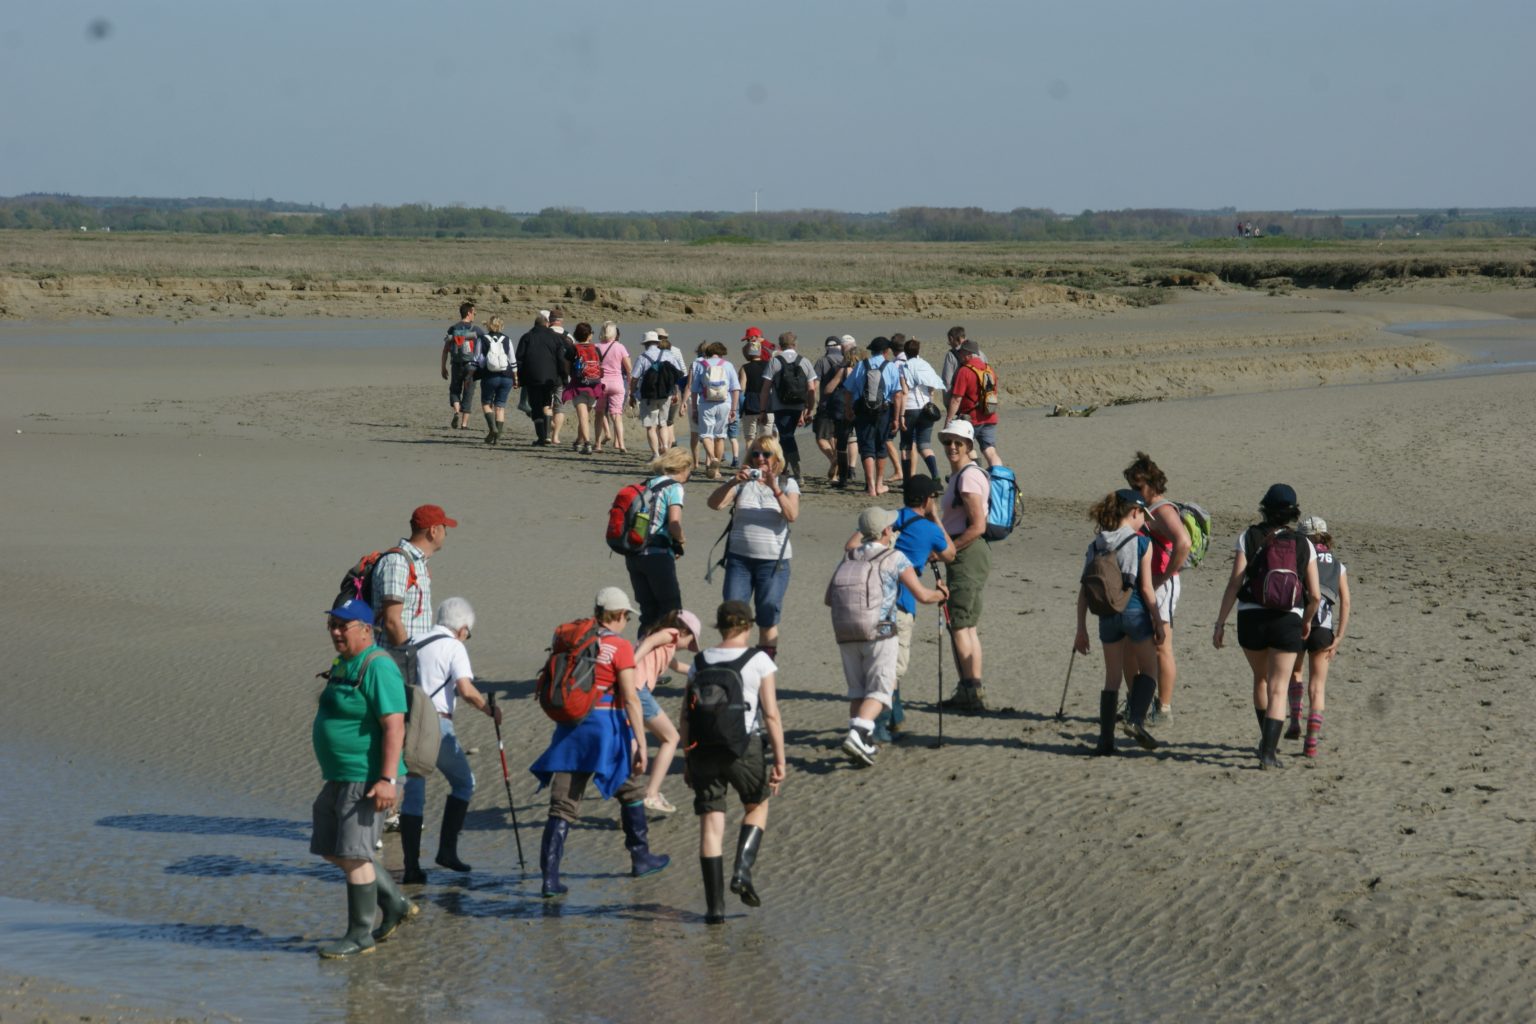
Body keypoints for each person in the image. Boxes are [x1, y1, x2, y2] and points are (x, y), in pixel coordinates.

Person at [530, 588, 670, 898]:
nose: (626, 622)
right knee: (632, 789)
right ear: (619, 615)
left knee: (563, 805)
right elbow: (631, 697)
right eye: (626, 617)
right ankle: (641, 857)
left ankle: (550, 878)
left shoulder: (578, 642)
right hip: (606, 731)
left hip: (570, 730)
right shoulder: (619, 647)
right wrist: (642, 743)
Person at [309, 599, 415, 958]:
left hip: (367, 777)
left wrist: (387, 779)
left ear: (366, 629)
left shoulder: (378, 666)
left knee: (354, 855)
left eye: (344, 626)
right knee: (331, 847)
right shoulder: (345, 663)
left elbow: (394, 726)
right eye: (332, 625)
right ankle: (395, 903)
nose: (336, 632)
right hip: (339, 775)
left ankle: (360, 935)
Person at [682, 599, 786, 925]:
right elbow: (770, 714)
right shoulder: (758, 660)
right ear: (748, 626)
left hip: (702, 750)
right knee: (756, 805)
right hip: (744, 747)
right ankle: (742, 870)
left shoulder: (700, 661)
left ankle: (714, 910)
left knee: (711, 825)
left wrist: (688, 757)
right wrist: (780, 760)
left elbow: (685, 716)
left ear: (720, 626)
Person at [1212, 484, 1322, 770]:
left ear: (1264, 507)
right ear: (1293, 512)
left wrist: (1220, 622)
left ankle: (1265, 740)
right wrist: (1307, 620)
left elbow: (1235, 582)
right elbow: (1316, 595)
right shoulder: (1303, 544)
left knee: (1260, 679)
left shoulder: (1248, 536)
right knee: (1278, 687)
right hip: (1288, 619)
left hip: (1251, 618)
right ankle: (1269, 753)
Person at [397, 597, 503, 885]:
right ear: (463, 628)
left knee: (414, 792)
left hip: (405, 721)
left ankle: (411, 868)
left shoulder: (414, 640)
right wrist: (489, 710)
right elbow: (466, 690)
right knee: (464, 782)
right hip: (436, 723)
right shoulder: (454, 646)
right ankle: (446, 851)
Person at [830, 507, 948, 766]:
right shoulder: (895, 557)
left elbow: (829, 598)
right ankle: (858, 732)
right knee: (881, 691)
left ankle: (864, 743)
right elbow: (923, 596)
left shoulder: (849, 555)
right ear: (886, 531)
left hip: (845, 630)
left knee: (857, 691)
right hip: (880, 631)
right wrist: (942, 593)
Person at [855, 475, 954, 741]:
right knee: (894, 666)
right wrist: (935, 519)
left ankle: (895, 716)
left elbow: (852, 545)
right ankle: (881, 726)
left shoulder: (888, 518)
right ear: (926, 499)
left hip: (869, 600)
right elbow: (951, 554)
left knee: (878, 661)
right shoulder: (930, 529)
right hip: (901, 602)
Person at [1073, 489, 1166, 756]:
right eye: (1142, 517)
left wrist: (1081, 628)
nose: (1144, 523)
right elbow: (1147, 589)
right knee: (1150, 670)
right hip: (1135, 611)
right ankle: (1134, 720)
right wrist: (1158, 622)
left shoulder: (1096, 544)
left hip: (1106, 616)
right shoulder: (1141, 543)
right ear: (1135, 512)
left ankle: (1105, 741)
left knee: (1112, 677)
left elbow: (1083, 591)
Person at [705, 435, 800, 660]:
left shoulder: (788, 483)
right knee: (733, 615)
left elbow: (792, 515)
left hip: (774, 563)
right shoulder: (742, 482)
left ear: (776, 457)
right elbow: (714, 504)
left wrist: (775, 488)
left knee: (767, 615)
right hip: (740, 560)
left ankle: (763, 667)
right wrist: (733, 482)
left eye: (765, 454)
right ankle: (735, 662)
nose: (760, 459)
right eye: (755, 453)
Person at [1122, 452, 1192, 727]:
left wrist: (1164, 575)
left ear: (1152, 483)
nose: (1134, 491)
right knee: (1130, 644)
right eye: (1131, 486)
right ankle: (1135, 701)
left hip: (1161, 585)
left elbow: (1183, 543)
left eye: (1138, 486)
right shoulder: (1139, 507)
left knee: (1161, 645)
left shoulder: (1163, 509)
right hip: (1140, 582)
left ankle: (1163, 707)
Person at [936, 420, 992, 712]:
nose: (952, 447)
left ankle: (970, 691)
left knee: (960, 623)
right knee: (966, 624)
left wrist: (947, 551)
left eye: (958, 442)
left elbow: (977, 527)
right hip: (970, 554)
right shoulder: (965, 475)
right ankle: (970, 688)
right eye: (948, 442)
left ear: (970, 446)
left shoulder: (968, 478)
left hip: (967, 553)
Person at [1286, 516, 1350, 758]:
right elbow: (1346, 602)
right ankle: (1311, 742)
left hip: (1298, 622)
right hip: (1323, 628)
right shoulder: (1338, 565)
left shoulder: (1299, 557)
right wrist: (1340, 635)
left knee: (1295, 672)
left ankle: (1294, 719)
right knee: (1318, 686)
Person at [631, 608, 702, 814]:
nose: (688, 646)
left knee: (634, 744)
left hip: (631, 690)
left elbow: (678, 666)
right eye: (690, 641)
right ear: (682, 631)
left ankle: (632, 797)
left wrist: (704, 670)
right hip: (638, 690)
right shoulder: (669, 634)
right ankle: (651, 794)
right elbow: (650, 642)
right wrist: (632, 663)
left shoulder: (667, 646)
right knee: (671, 737)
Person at [625, 446, 692, 635]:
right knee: (670, 612)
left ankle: (640, 658)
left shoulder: (647, 483)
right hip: (657, 555)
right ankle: (658, 661)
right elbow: (674, 523)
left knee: (648, 614)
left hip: (634, 553)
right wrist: (681, 541)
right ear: (682, 468)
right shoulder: (674, 487)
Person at [371, 505, 456, 652]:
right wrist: (410, 658)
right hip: (395, 664)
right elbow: (392, 621)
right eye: (444, 528)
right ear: (433, 530)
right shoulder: (398, 562)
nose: (446, 534)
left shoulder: (418, 564)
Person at [840, 337, 905, 497]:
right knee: (881, 446)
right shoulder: (890, 367)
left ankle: (870, 487)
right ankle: (879, 484)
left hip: (863, 410)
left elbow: (848, 390)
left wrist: (848, 409)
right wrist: (896, 418)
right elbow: (897, 395)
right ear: (886, 351)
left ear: (872, 350)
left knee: (867, 448)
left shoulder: (861, 365)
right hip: (884, 411)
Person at [761, 331, 815, 480]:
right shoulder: (805, 361)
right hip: (798, 406)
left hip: (780, 406)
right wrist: (810, 409)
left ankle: (797, 472)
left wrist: (762, 410)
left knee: (786, 436)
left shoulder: (775, 361)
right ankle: (784, 470)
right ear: (795, 344)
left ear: (780, 345)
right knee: (786, 436)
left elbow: (765, 388)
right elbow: (811, 389)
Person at [946, 340, 1001, 468]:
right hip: (989, 415)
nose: (959, 356)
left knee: (965, 448)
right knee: (990, 451)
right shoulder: (989, 369)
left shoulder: (964, 371)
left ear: (968, 354)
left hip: (971, 418)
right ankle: (1001, 480)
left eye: (961, 353)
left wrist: (948, 419)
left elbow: (956, 399)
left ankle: (973, 474)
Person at [691, 341, 741, 480]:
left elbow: (694, 390)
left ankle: (712, 458)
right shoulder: (728, 365)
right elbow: (735, 389)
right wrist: (734, 409)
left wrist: (694, 408)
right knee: (720, 437)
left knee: (706, 435)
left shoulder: (701, 365)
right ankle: (717, 469)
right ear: (722, 352)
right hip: (724, 403)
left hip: (706, 404)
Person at [515, 310, 565, 446]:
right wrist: (564, 377)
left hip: (531, 378)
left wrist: (518, 378)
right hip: (551, 378)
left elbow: (519, 360)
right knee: (547, 404)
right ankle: (547, 435)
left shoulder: (526, 337)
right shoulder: (556, 338)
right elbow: (561, 359)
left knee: (536, 407)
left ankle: (542, 437)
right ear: (547, 324)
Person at [898, 337, 944, 480]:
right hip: (925, 408)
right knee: (925, 445)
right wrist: (930, 401)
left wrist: (900, 416)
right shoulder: (925, 365)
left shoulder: (903, 367)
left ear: (905, 353)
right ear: (918, 351)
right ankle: (935, 475)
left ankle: (907, 481)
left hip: (910, 409)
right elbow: (932, 388)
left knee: (906, 445)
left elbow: (904, 392)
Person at [440, 301, 487, 432]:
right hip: (471, 366)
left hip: (456, 364)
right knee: (469, 393)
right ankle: (464, 424)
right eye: (474, 312)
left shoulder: (453, 329)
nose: (475, 315)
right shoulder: (476, 330)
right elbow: (486, 346)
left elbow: (445, 349)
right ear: (469, 313)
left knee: (455, 390)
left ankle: (456, 411)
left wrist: (443, 367)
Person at [560, 321, 604, 454]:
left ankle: (587, 444)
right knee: (585, 416)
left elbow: (566, 367)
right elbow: (600, 365)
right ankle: (579, 441)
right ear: (590, 335)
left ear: (575, 335)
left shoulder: (572, 349)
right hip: (594, 385)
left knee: (582, 417)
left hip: (578, 385)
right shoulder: (595, 349)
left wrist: (570, 376)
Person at [630, 330, 675, 459]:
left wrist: (632, 394)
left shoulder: (642, 357)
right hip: (666, 394)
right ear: (657, 342)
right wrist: (674, 392)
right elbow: (676, 374)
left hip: (648, 395)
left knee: (650, 426)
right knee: (663, 423)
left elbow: (634, 378)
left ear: (645, 344)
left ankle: (655, 454)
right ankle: (665, 447)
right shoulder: (668, 355)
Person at [812, 336, 850, 484]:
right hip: (843, 404)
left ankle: (834, 459)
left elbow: (815, 384)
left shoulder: (822, 361)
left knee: (821, 438)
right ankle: (835, 473)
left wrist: (815, 403)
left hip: (826, 404)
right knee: (835, 437)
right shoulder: (846, 362)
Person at [478, 315, 518, 445]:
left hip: (490, 376)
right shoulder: (507, 339)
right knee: (500, 406)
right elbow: (512, 360)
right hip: (506, 377)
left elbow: (478, 359)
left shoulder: (483, 339)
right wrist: (516, 378)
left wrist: (473, 373)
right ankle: (497, 438)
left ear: (489, 325)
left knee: (486, 403)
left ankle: (492, 428)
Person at [593, 321, 631, 454]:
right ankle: (621, 444)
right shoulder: (620, 347)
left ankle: (597, 444)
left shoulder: (595, 346)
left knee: (599, 414)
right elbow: (629, 369)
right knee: (617, 415)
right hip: (617, 383)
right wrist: (631, 387)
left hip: (600, 383)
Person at [738, 333, 769, 450]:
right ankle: (767, 463)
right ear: (760, 352)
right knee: (767, 437)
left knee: (750, 437)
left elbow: (742, 387)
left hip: (751, 403)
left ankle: (750, 463)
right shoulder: (769, 365)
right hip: (767, 404)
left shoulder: (745, 367)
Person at [546, 308, 572, 446]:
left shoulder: (544, 334)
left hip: (546, 375)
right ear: (561, 321)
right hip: (562, 376)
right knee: (559, 407)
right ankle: (556, 436)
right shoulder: (569, 336)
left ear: (550, 320)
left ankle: (549, 431)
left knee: (546, 405)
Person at [939, 325, 986, 391]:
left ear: (951, 338)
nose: (949, 344)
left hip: (962, 395)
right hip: (979, 393)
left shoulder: (951, 355)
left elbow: (947, 381)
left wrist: (948, 400)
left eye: (949, 342)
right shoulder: (980, 353)